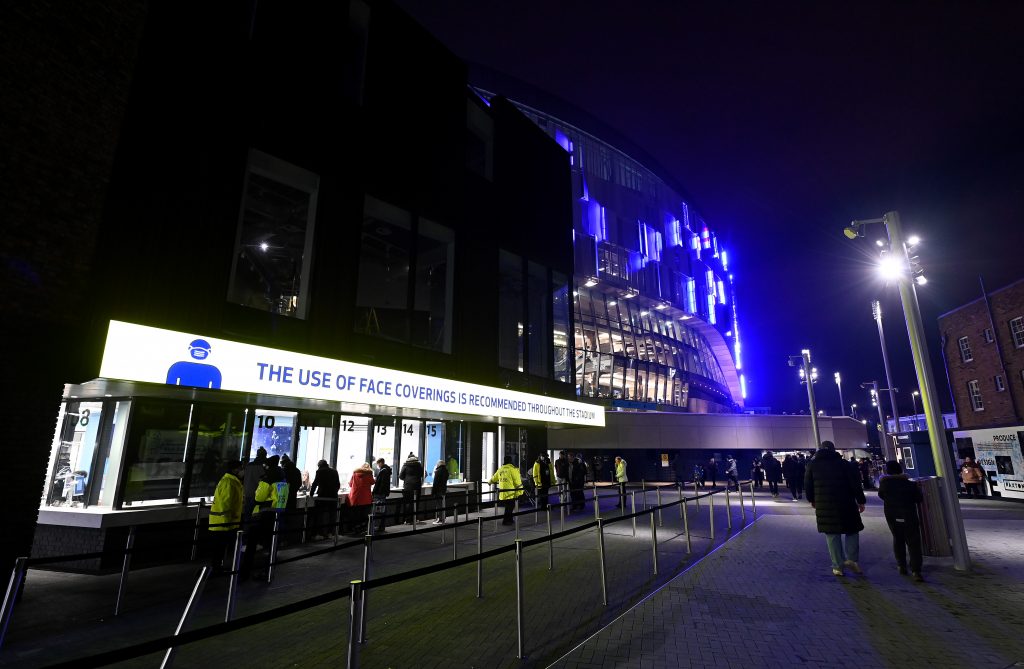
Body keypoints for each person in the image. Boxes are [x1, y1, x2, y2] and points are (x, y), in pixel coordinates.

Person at [805, 441, 867, 577]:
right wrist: (861, 501)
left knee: (832, 534)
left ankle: (837, 566)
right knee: (852, 530)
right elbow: (855, 484)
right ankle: (852, 560)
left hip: (824, 503)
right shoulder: (844, 464)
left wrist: (812, 500)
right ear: (834, 450)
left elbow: (808, 485)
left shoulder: (812, 465)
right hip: (846, 502)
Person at [241, 455, 289, 580]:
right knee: (271, 544)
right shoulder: (282, 478)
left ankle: (244, 572)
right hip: (277, 513)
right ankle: (267, 571)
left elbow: (259, 497)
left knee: (251, 543)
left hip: (263, 513)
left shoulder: (267, 478)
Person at [877, 460, 924, 581]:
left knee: (898, 539)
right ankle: (916, 570)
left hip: (892, 515)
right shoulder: (910, 484)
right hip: (909, 514)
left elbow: (881, 495)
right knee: (913, 542)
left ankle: (901, 565)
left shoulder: (885, 484)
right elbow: (919, 498)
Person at [207, 460, 244, 572]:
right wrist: (228, 521)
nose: (242, 471)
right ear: (235, 469)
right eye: (241, 468)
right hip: (224, 523)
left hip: (226, 522)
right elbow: (225, 504)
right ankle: (216, 569)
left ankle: (218, 568)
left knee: (221, 548)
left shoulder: (232, 481)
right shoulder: (229, 482)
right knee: (219, 548)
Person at [308, 459, 341, 539]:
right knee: (332, 515)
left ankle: (320, 533)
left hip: (323, 496)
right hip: (333, 496)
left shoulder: (319, 471)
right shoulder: (334, 471)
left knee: (321, 515)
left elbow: (315, 483)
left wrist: (311, 494)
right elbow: (338, 484)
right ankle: (330, 533)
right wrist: (334, 491)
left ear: (319, 465)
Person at [490, 455, 524, 525]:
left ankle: (510, 520)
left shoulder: (500, 469)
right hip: (511, 493)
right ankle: (506, 521)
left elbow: (494, 478)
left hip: (502, 493)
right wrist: (521, 491)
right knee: (510, 507)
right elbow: (517, 482)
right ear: (510, 461)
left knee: (508, 507)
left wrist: (489, 482)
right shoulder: (512, 470)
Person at [346, 463, 375, 535]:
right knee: (364, 515)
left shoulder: (355, 473)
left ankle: (355, 528)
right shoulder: (369, 474)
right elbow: (373, 482)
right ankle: (362, 529)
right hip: (365, 498)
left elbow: (350, 484)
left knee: (355, 514)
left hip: (355, 497)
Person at [279, 454, 302, 543]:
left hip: (283, 497)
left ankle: (281, 539)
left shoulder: (283, 471)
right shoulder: (297, 471)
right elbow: (299, 483)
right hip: (293, 497)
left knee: (282, 518)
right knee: (291, 518)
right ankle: (289, 539)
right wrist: (294, 490)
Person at [242, 446, 267, 520]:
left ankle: (246, 529)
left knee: (247, 513)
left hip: (247, 492)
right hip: (256, 494)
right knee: (256, 515)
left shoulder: (249, 465)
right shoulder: (261, 467)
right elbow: (261, 481)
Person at [398, 452, 423, 524]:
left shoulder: (405, 465)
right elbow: (421, 474)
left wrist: (407, 479)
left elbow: (400, 476)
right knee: (416, 503)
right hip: (417, 486)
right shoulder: (419, 465)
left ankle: (407, 519)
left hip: (408, 487)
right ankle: (414, 518)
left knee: (408, 503)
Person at [372, 457, 392, 533]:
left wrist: (376, 492)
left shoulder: (383, 471)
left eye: (378, 464)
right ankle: (381, 526)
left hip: (380, 493)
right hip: (383, 493)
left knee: (378, 511)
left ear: (381, 463)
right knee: (382, 510)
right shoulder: (386, 470)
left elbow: (381, 483)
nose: (378, 465)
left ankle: (378, 527)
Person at [431, 460, 449, 524]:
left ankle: (440, 519)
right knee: (443, 504)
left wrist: (433, 492)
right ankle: (443, 518)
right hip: (443, 490)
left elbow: (435, 483)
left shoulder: (438, 471)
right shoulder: (446, 471)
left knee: (439, 505)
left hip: (438, 491)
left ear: (438, 464)